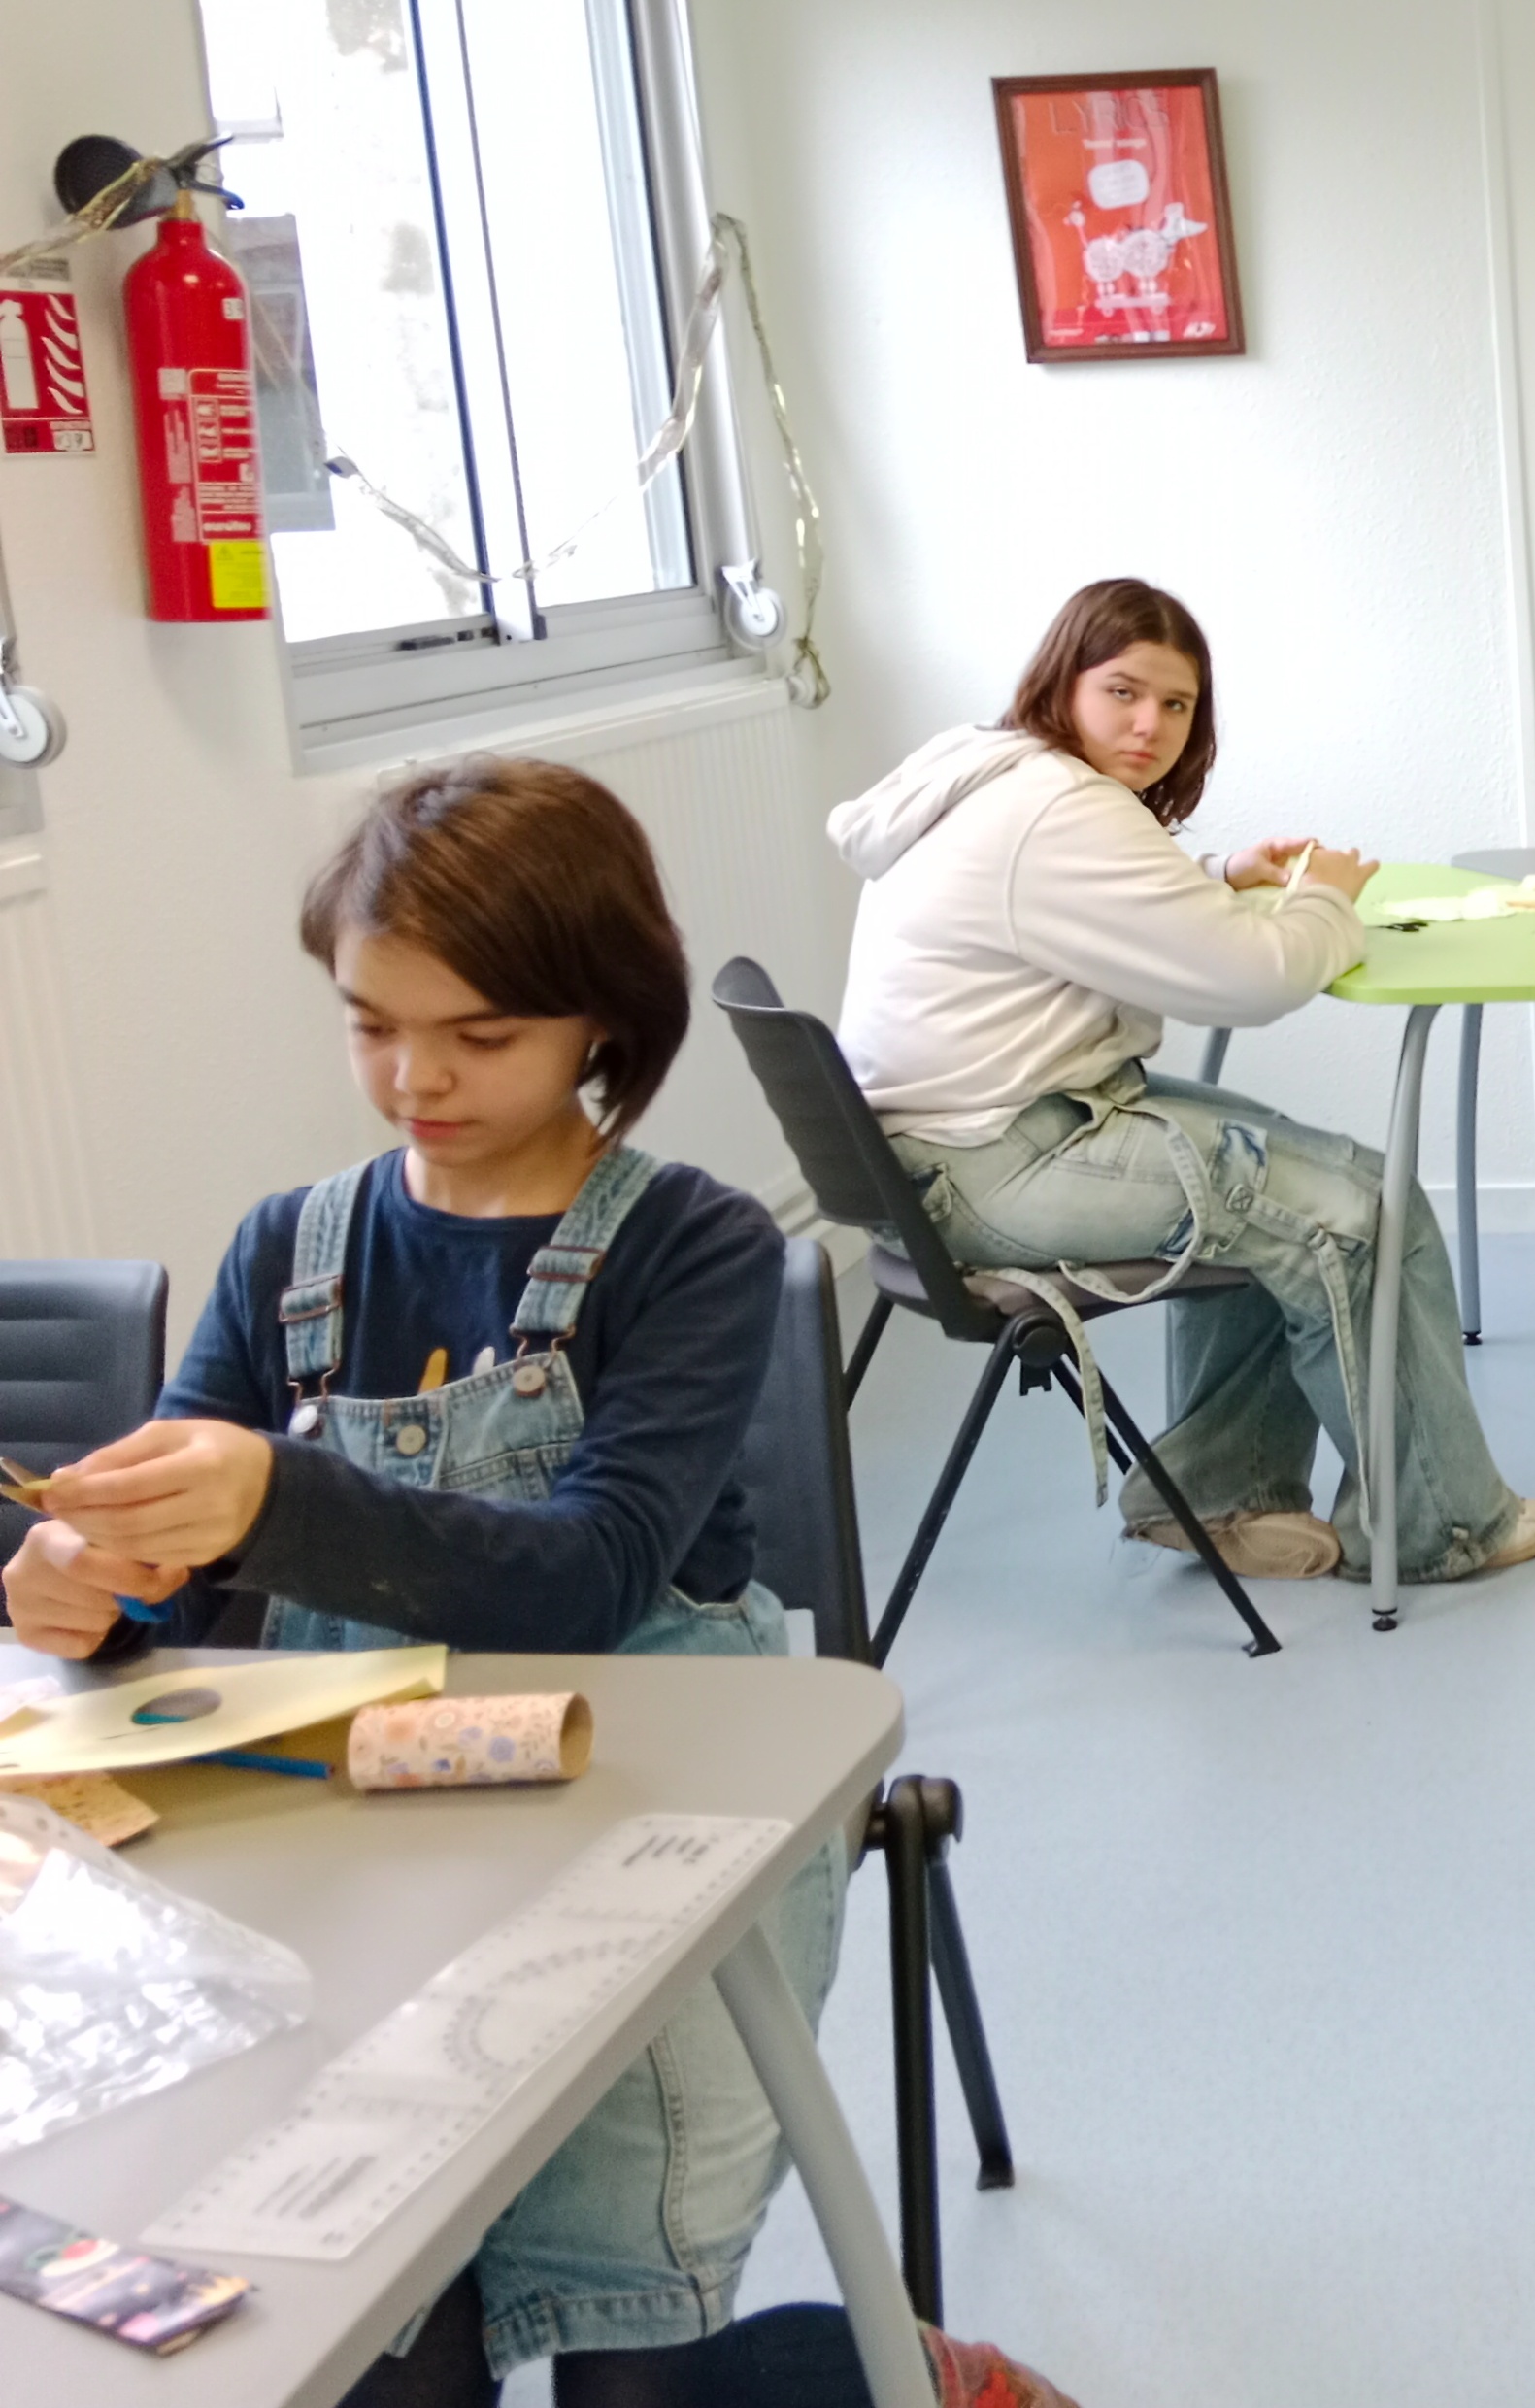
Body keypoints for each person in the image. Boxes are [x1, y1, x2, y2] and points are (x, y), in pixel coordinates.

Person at [0, 761, 1082, 2407]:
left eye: (482, 1034)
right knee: (368, 2332)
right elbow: (184, 1590)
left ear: (601, 1023)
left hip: (652, 1837)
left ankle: (894, 2373)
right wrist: (101, 1586)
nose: (415, 1076)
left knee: (624, 2340)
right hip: (362, 1858)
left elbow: (590, 1573)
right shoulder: (290, 1248)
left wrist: (274, 1497)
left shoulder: (694, 1248)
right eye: (370, 1023)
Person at [829, 576, 1535, 1585]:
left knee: (1308, 1173)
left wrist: (1214, 878)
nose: (1151, 726)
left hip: (943, 1154)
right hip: (997, 1162)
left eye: (1176, 704)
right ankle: (1446, 1529)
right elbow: (1253, 979)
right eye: (1123, 692)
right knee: (1358, 1211)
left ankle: (1223, 1498)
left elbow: (1071, 903)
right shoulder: (1063, 810)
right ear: (1063, 681)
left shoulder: (992, 770)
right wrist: (1326, 900)